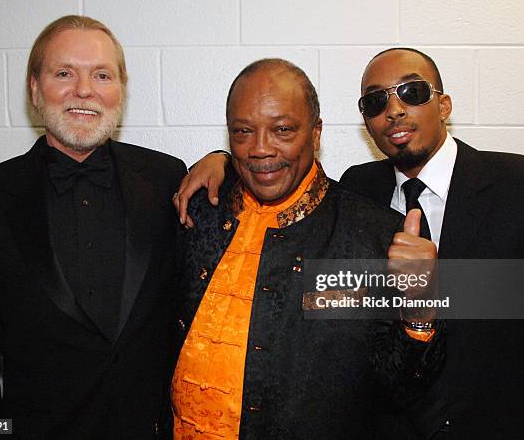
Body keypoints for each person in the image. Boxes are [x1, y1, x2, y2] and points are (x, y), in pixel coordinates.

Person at [175, 48, 524, 439]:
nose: (394, 111)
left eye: (411, 92)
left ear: (444, 105)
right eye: (376, 101)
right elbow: (272, 164)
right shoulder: (360, 191)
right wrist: (221, 159)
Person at [171, 58, 444, 439]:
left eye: (282, 130)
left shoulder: (372, 235)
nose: (260, 149)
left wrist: (421, 311)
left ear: (315, 134)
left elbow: (397, 391)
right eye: (243, 132)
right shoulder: (199, 211)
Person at [0, 15, 186, 439]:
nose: (85, 90)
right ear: (35, 89)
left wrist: (221, 158)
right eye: (64, 73)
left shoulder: (168, 179)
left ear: (121, 91)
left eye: (102, 75)